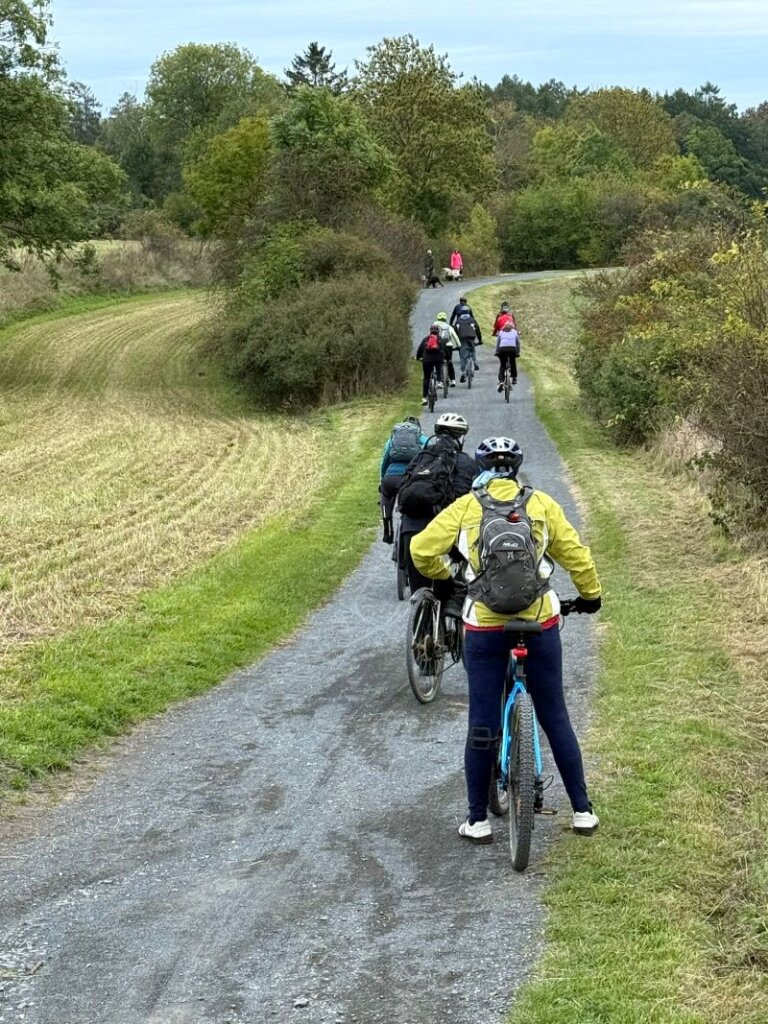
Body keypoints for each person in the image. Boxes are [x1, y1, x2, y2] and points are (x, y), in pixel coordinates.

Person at [410, 436, 602, 843]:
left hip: (484, 625)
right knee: (555, 716)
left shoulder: (466, 507)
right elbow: (578, 556)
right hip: (539, 622)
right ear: (515, 470)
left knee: (481, 720)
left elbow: (421, 549)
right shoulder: (542, 504)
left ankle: (477, 820)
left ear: (482, 470)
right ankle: (583, 811)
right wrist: (590, 596)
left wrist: (452, 577)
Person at [397, 413, 476, 594]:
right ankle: (451, 610)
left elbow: (403, 487)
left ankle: (420, 612)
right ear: (461, 436)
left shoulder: (419, 458)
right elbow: (465, 501)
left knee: (420, 591)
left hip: (410, 528)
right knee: (461, 581)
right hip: (443, 528)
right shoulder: (466, 462)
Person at [379, 417, 429, 542]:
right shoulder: (423, 439)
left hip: (391, 477)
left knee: (385, 495)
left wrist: (382, 479)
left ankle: (387, 529)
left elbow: (385, 460)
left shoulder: (392, 440)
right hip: (411, 479)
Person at [415, 323, 446, 405]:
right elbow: (444, 350)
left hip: (427, 360)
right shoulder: (440, 339)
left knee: (427, 378)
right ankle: (440, 381)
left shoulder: (426, 339)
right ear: (438, 332)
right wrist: (444, 358)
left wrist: (418, 358)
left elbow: (420, 350)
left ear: (430, 331)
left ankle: (424, 398)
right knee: (439, 367)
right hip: (438, 359)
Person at [455, 312, 482, 381]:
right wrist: (480, 340)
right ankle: (475, 362)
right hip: (471, 337)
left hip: (462, 338)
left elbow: (455, 332)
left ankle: (463, 372)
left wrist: (456, 343)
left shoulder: (458, 321)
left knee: (463, 356)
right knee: (472, 349)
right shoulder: (472, 320)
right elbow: (478, 330)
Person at [435, 312, 460, 387]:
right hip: (448, 346)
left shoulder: (434, 325)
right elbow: (455, 337)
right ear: (445, 319)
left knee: (438, 362)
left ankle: (440, 382)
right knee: (449, 362)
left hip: (438, 345)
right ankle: (453, 380)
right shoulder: (449, 327)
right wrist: (459, 346)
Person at [495, 321, 520, 392]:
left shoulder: (501, 332)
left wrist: (496, 351)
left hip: (502, 349)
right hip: (512, 349)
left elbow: (498, 343)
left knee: (502, 364)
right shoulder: (515, 332)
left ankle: (501, 380)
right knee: (513, 362)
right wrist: (517, 352)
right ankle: (514, 378)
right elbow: (518, 343)